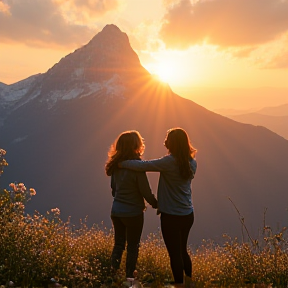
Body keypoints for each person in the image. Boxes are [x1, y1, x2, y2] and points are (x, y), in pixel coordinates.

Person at [120, 127, 197, 288]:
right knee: (183, 251)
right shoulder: (192, 163)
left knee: (174, 254)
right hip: (188, 214)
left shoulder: (168, 162)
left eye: (167, 140)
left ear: (173, 144)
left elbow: (144, 166)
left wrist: (121, 163)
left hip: (171, 216)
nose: (165, 142)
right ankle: (189, 283)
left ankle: (179, 285)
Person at [105, 130, 158, 285]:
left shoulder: (115, 167)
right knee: (133, 246)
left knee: (119, 244)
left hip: (116, 211)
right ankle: (130, 279)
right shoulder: (137, 168)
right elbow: (146, 192)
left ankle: (112, 275)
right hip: (133, 213)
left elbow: (114, 190)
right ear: (136, 146)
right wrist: (156, 204)